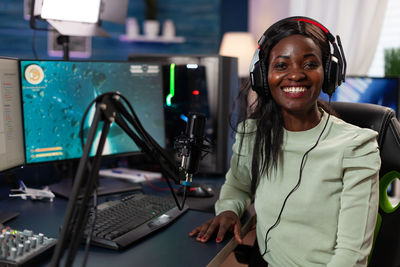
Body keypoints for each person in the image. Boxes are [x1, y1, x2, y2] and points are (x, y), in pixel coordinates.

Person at [189, 16, 381, 267]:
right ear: (262, 76)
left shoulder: (357, 146)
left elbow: (351, 256)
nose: (296, 75)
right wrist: (228, 210)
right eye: (281, 65)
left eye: (310, 64)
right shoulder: (253, 133)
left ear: (329, 73)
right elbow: (238, 186)